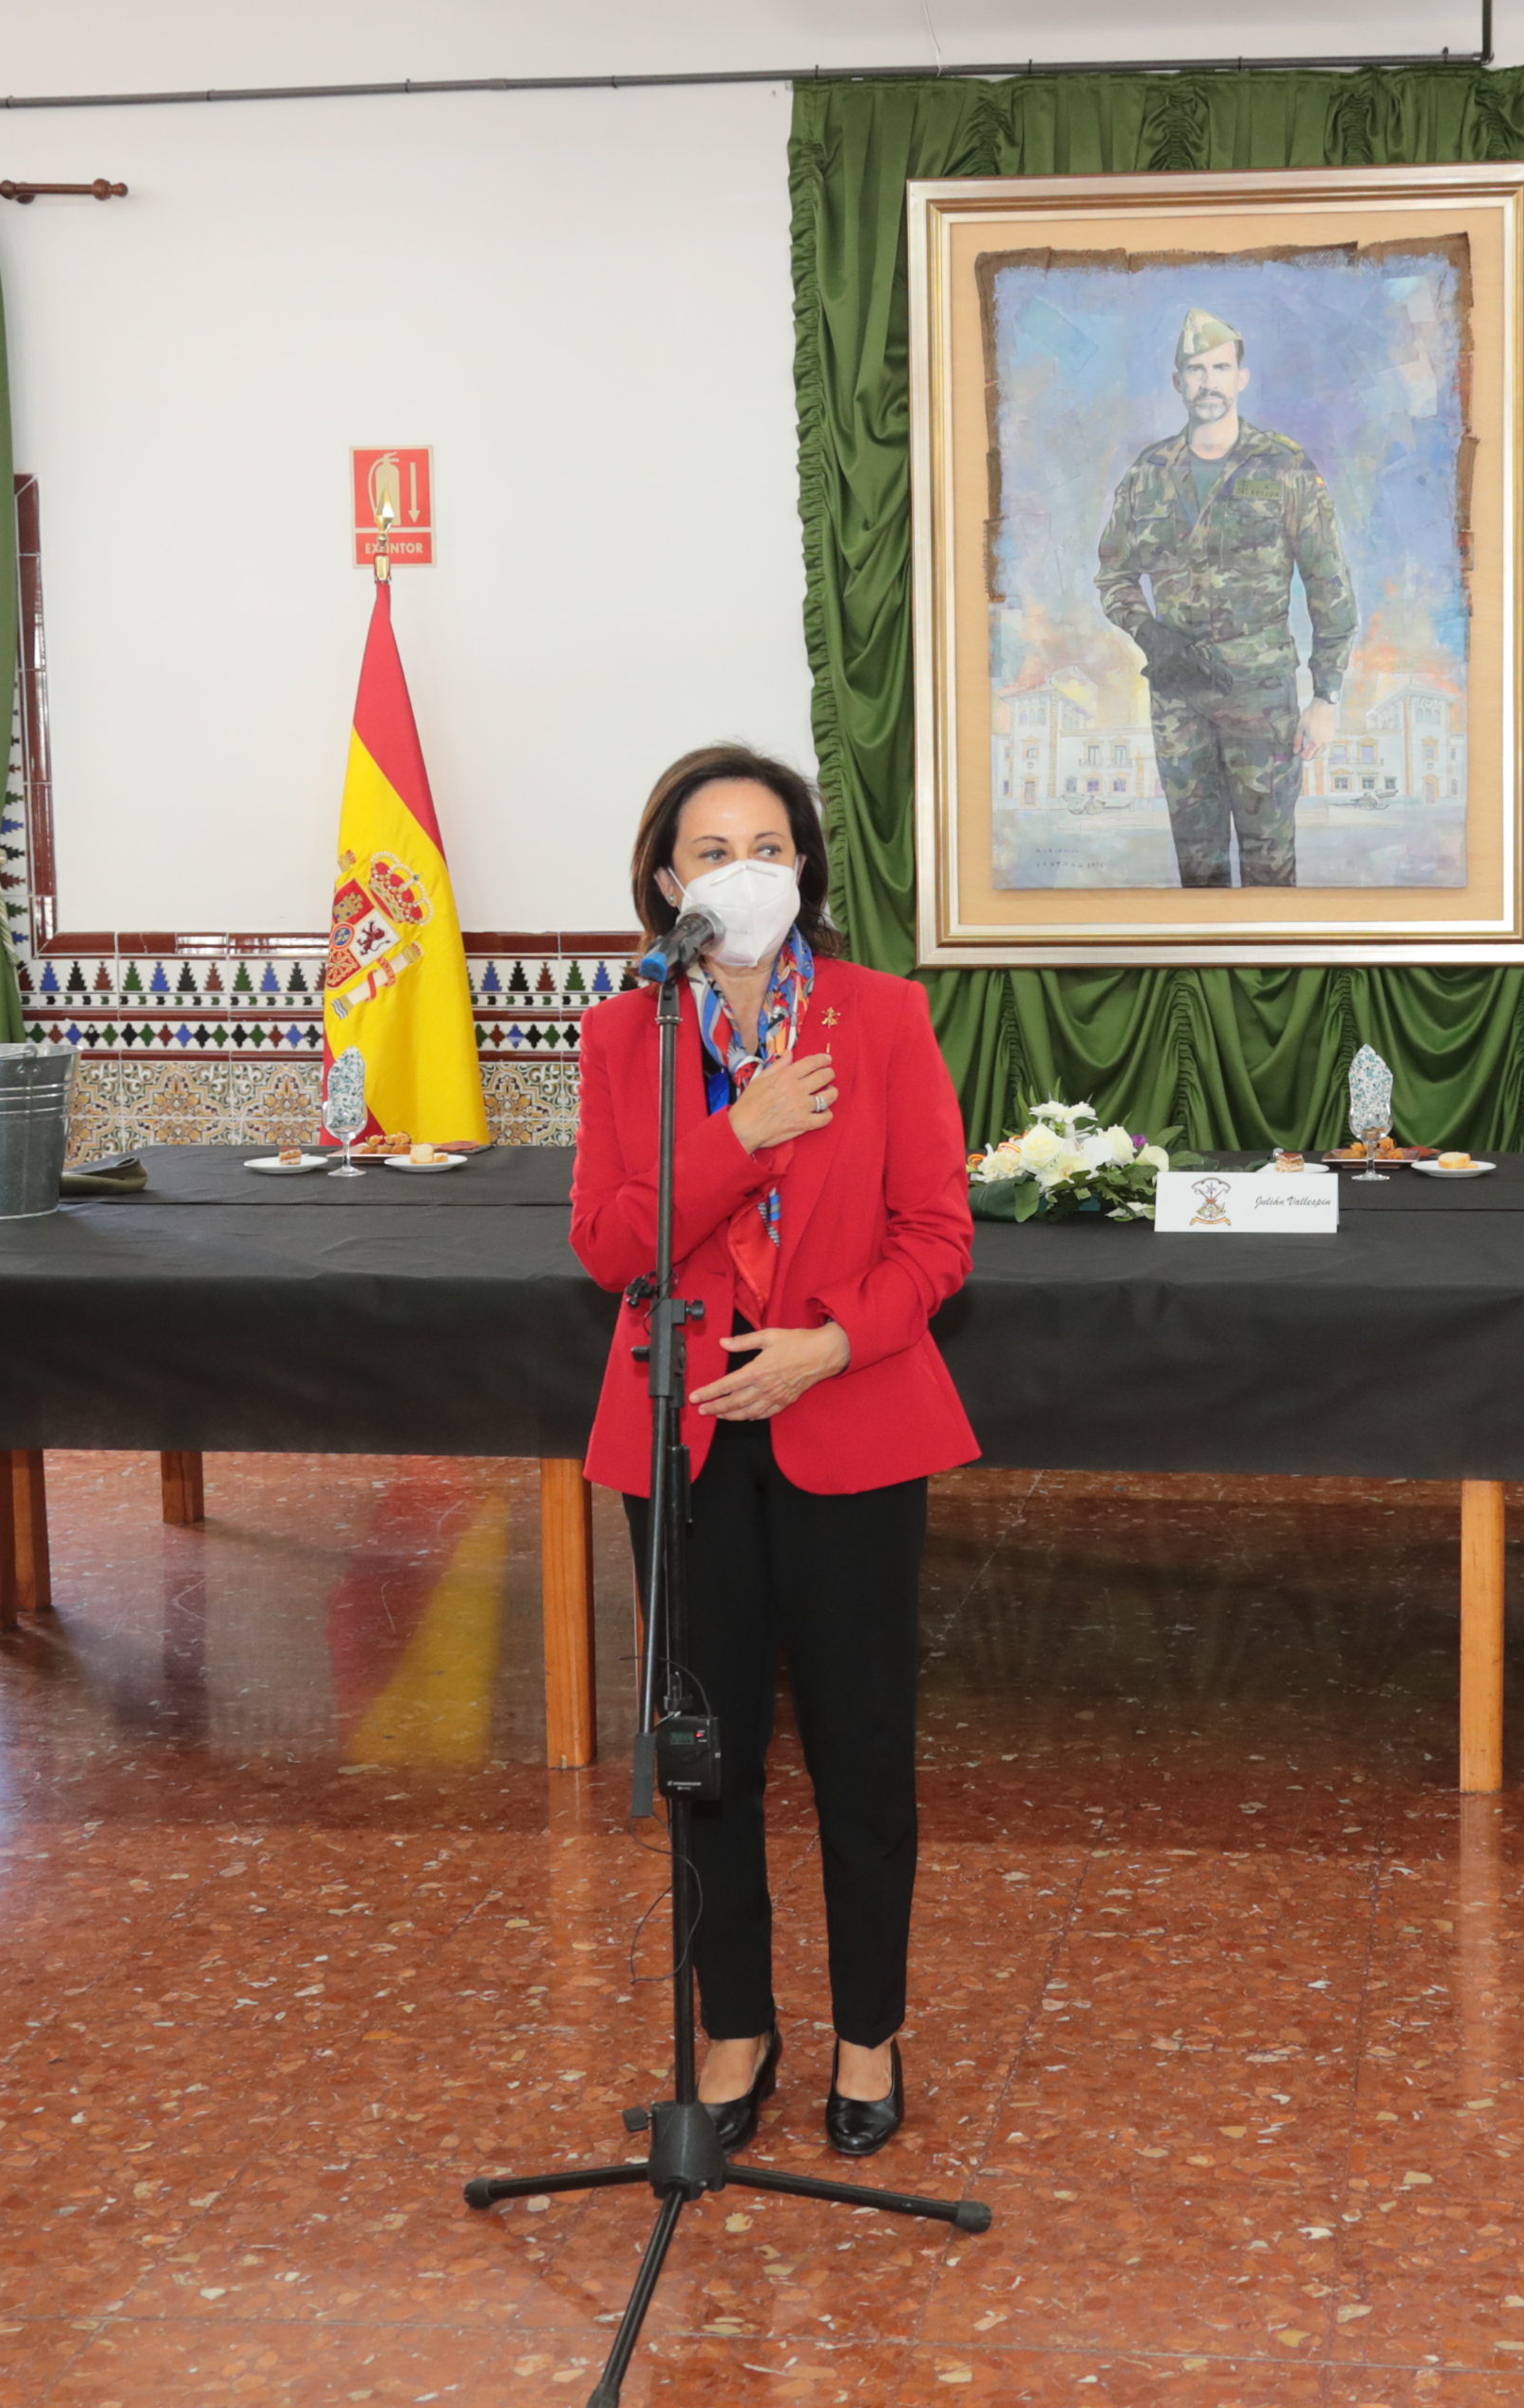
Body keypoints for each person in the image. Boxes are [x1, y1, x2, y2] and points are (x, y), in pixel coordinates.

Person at [570, 744, 976, 2158]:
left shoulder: (883, 1018)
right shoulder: (624, 1037)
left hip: (846, 1421)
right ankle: (734, 2031)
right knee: (709, 1754)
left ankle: (871, 2035)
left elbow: (939, 1238)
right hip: (683, 1434)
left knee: (862, 1751)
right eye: (711, 848)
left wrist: (827, 1346)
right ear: (668, 882)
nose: (743, 871)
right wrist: (738, 1132)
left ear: (802, 868)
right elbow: (609, 1244)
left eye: (769, 845)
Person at [1091, 310, 1358, 889]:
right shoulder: (1149, 474)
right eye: (1195, 370)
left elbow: (1329, 584)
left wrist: (1328, 696)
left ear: (1242, 377)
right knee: (1198, 862)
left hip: (1261, 697)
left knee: (1269, 860)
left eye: (1220, 367)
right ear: (1177, 382)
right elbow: (1113, 574)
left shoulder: (1284, 467)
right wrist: (1147, 630)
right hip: (1179, 698)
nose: (1208, 381)